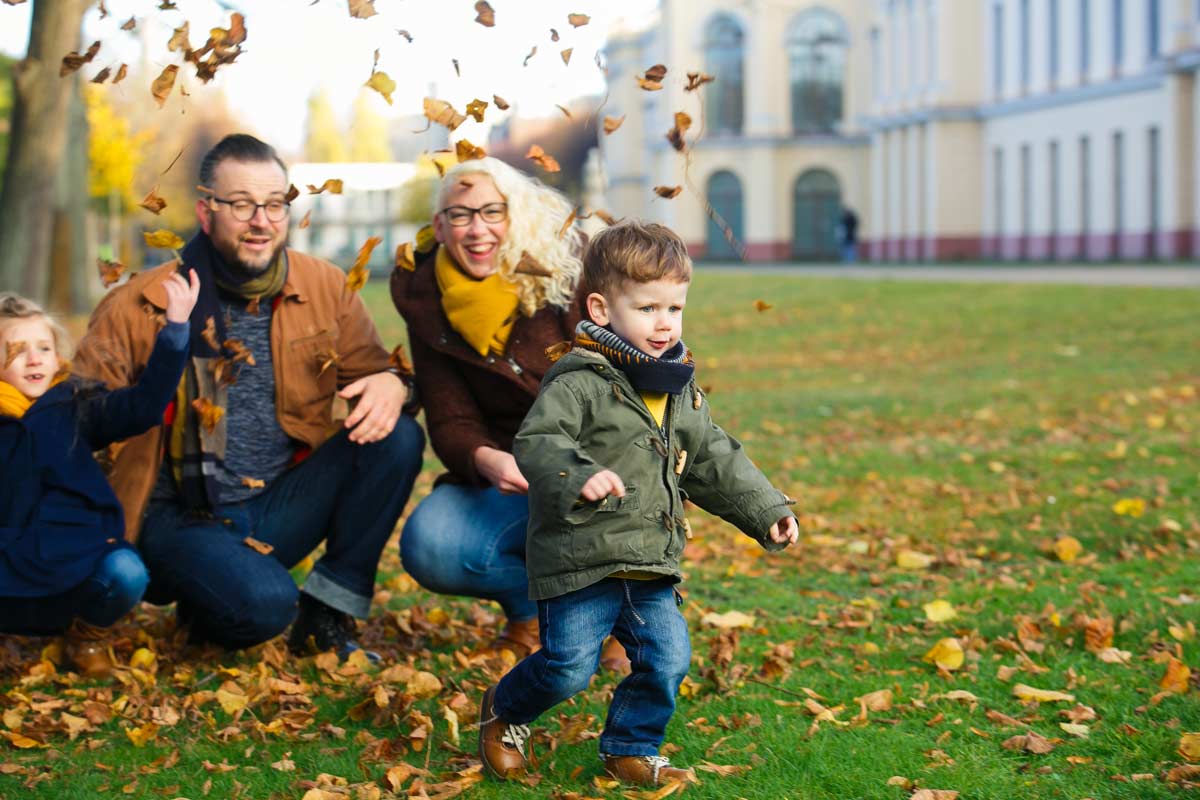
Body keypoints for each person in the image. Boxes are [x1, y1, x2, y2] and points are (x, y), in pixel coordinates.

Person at [73, 134, 425, 658]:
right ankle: (212, 592)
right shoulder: (139, 303)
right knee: (264, 606)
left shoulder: (324, 286)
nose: (261, 221)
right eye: (241, 205)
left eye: (275, 204)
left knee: (397, 438)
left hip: (279, 504)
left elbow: (382, 375)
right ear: (206, 211)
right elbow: (81, 414)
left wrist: (395, 382)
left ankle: (326, 616)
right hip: (176, 516)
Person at [477, 220, 800, 786]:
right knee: (567, 667)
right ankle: (506, 711)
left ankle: (631, 746)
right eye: (648, 308)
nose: (664, 322)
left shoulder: (677, 387)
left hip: (650, 561)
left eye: (674, 308)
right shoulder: (579, 381)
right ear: (601, 309)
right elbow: (539, 441)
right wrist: (578, 474)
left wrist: (766, 509)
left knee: (666, 659)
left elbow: (711, 457)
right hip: (581, 558)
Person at [391, 156, 632, 664]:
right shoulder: (426, 298)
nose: (477, 229)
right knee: (432, 544)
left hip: (600, 462)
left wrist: (580, 467)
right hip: (513, 475)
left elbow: (627, 384)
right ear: (440, 226)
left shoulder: (568, 269)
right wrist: (487, 460)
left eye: (491, 212)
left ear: (514, 214)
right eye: (460, 215)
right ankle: (532, 614)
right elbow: (451, 418)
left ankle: (618, 612)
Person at [0, 274, 198, 678]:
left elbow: (143, 407)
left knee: (126, 572)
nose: (35, 359)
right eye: (17, 351)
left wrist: (175, 333)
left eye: (44, 348)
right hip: (8, 560)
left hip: (70, 555)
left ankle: (85, 637)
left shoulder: (75, 405)